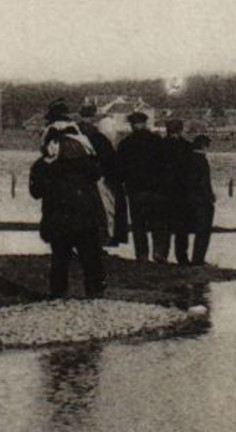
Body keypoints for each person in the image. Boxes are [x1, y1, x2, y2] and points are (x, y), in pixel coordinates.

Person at [29, 107, 107, 297]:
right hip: (86, 214)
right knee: (90, 256)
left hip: (58, 216)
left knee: (60, 257)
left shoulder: (43, 164)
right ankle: (95, 292)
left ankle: (58, 294)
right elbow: (96, 176)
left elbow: (35, 192)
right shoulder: (87, 159)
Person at [115, 111, 174, 262]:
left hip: (135, 189)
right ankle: (159, 253)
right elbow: (167, 164)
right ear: (145, 123)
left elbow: (119, 168)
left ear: (132, 125)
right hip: (157, 189)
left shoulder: (125, 143)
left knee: (138, 224)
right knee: (159, 222)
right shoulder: (157, 141)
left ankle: (142, 255)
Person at [76, 103, 122, 246]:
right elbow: (108, 158)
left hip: (77, 176)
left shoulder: (75, 131)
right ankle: (104, 237)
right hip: (97, 175)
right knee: (102, 207)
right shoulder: (97, 135)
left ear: (80, 114)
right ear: (94, 116)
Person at [164, 119, 202, 266]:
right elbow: (192, 171)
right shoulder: (187, 147)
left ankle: (163, 255)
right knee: (182, 227)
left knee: (165, 225)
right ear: (180, 130)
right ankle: (182, 257)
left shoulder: (160, 145)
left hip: (164, 191)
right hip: (182, 192)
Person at [181, 133, 218, 266]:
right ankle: (198, 259)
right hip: (201, 201)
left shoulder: (186, 158)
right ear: (204, 146)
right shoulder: (202, 161)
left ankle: (182, 258)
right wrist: (211, 197)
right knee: (203, 231)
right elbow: (204, 183)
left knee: (183, 230)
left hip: (185, 199)